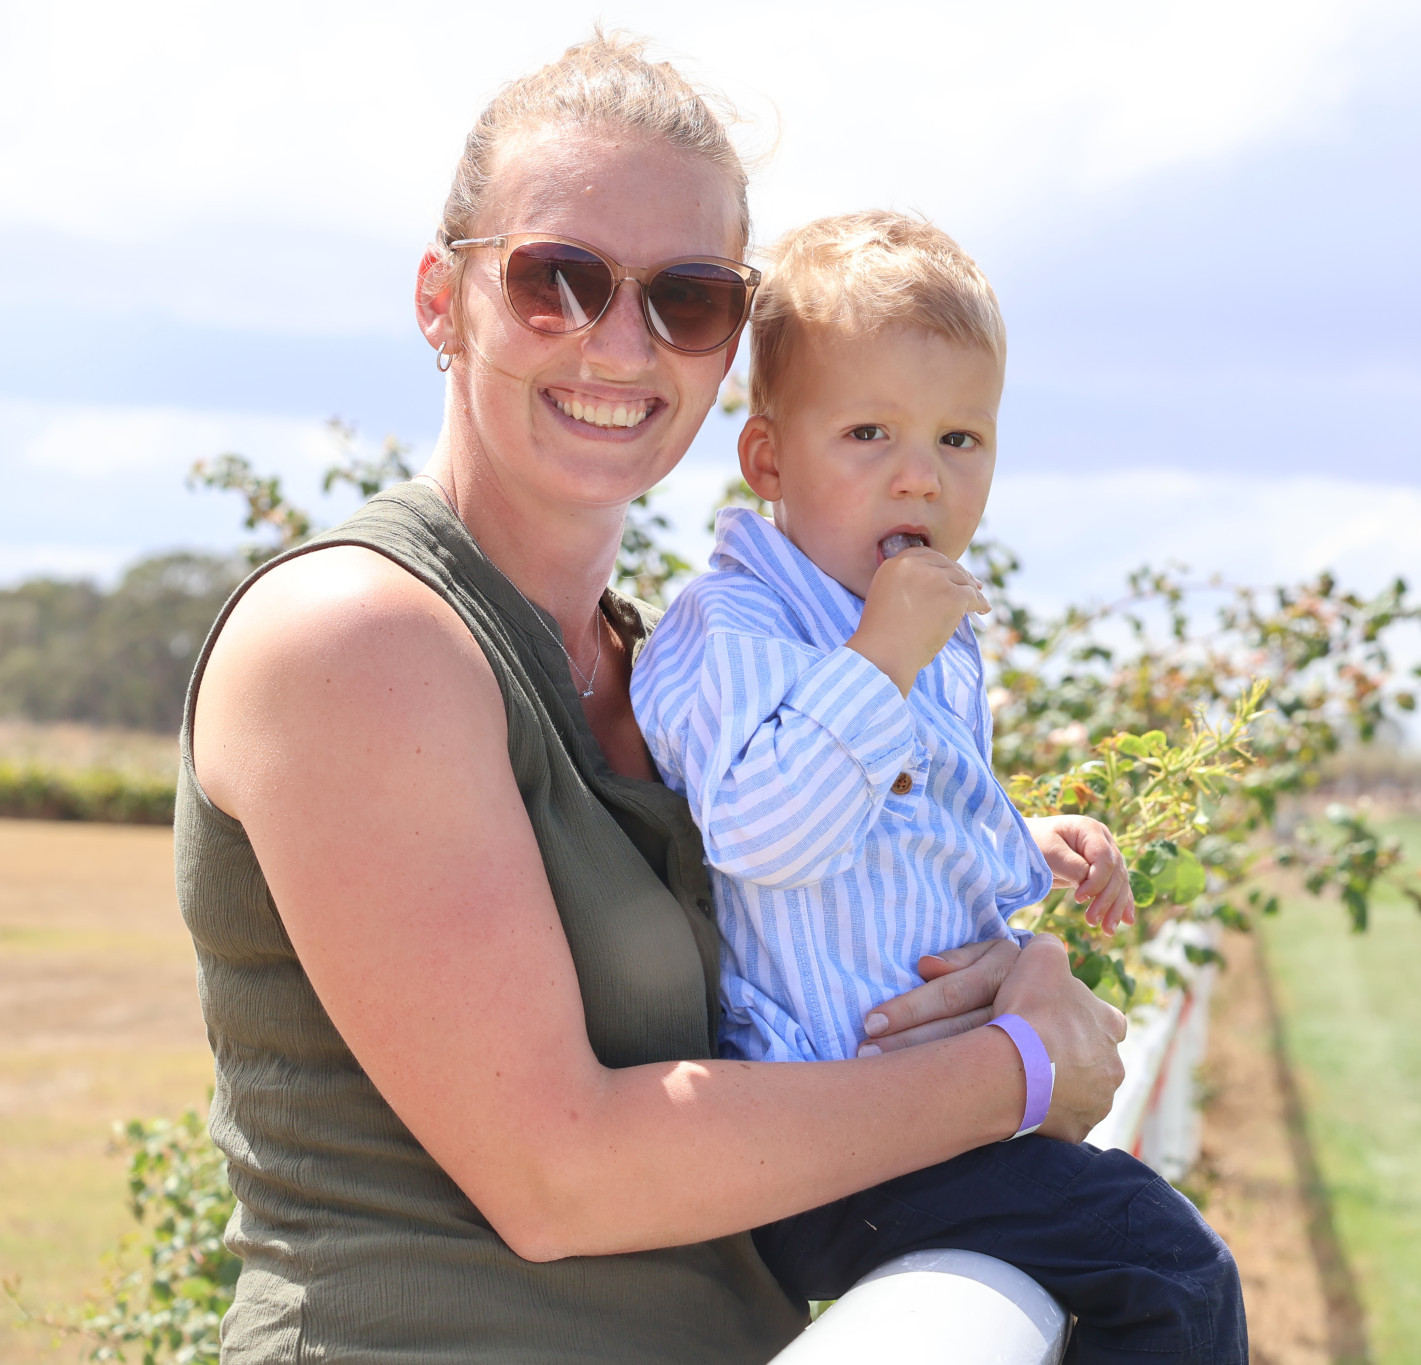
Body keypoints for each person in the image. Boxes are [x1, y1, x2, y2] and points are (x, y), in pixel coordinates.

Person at [178, 32, 1127, 1364]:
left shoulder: (674, 667)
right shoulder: (360, 640)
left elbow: (815, 981)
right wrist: (1020, 1068)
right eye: (556, 278)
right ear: (443, 303)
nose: (620, 343)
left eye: (687, 299)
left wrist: (1007, 959)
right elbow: (559, 1172)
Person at [629, 212, 1247, 1362]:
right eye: (869, 432)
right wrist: (880, 659)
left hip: (934, 1120)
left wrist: (1023, 836)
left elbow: (898, 834)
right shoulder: (742, 624)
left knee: (1137, 1256)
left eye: (962, 439)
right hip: (827, 1144)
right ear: (768, 460)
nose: (920, 474)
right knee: (1167, 1268)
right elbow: (764, 832)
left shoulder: (920, 633)